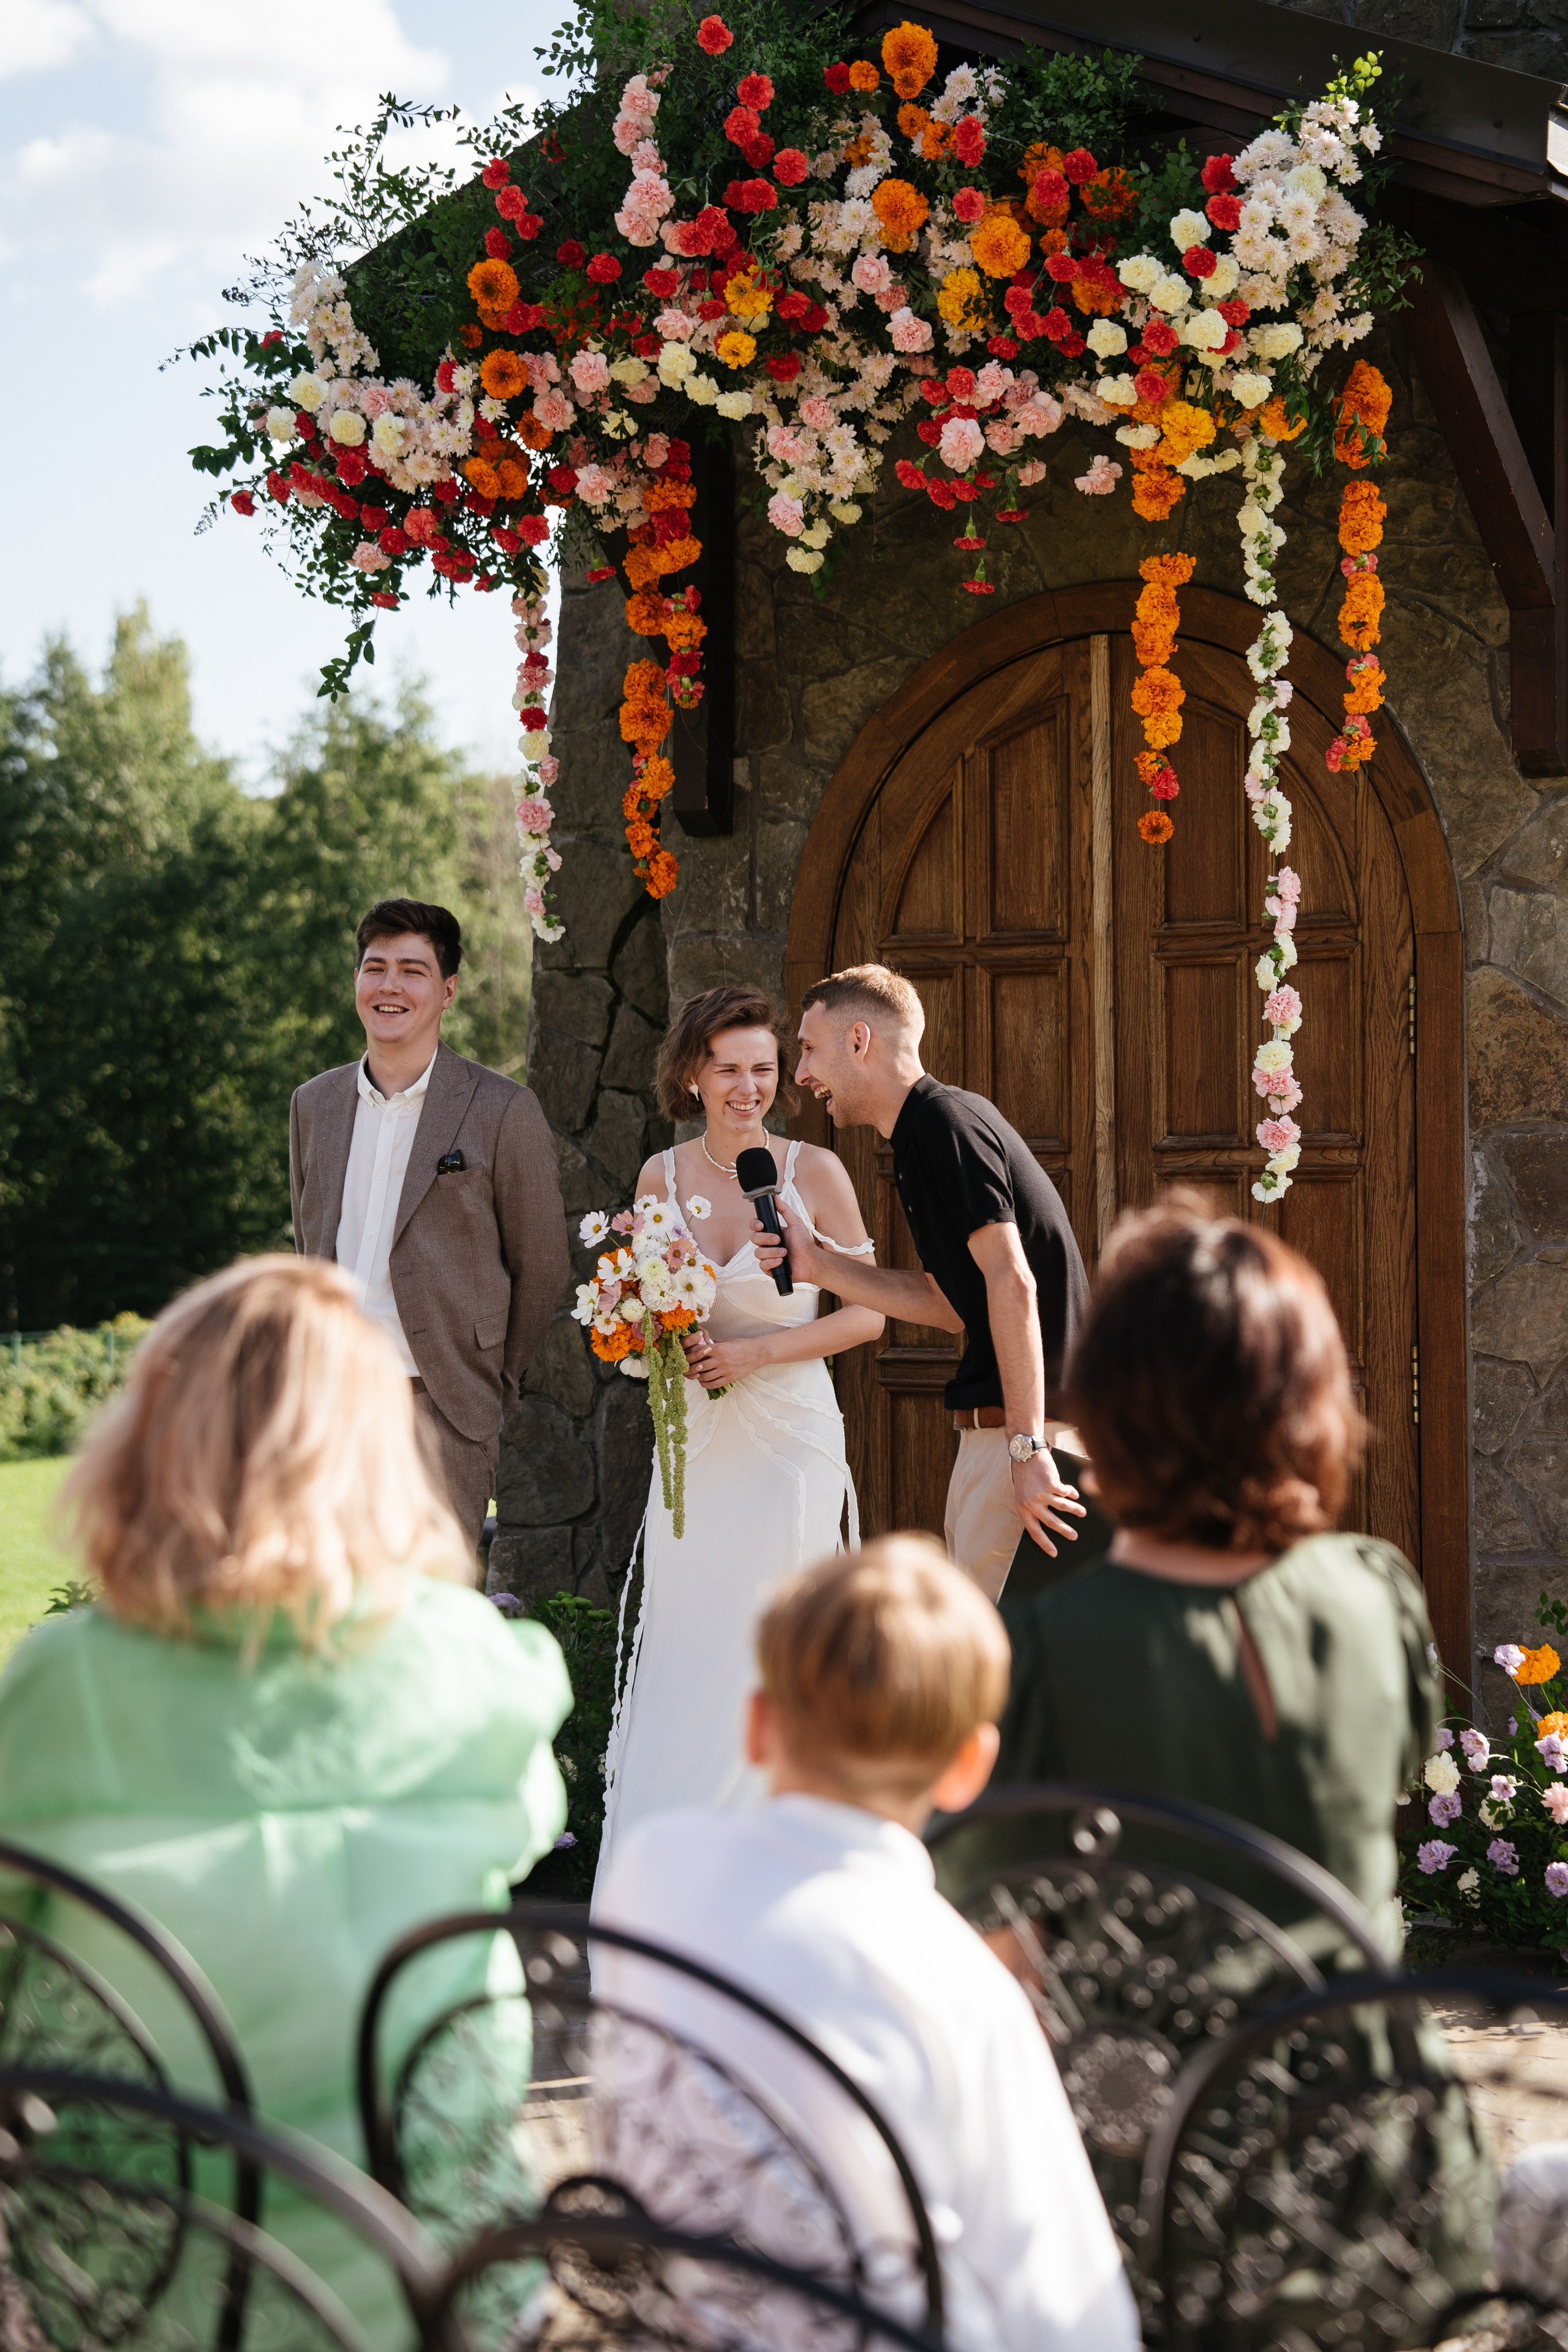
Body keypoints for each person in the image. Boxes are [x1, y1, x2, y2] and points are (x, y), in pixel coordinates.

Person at [0, 1255, 570, 2329]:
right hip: (433, 2274)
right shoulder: (470, 1661)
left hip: (146, 2280)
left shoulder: (62, 1684)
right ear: (377, 1453)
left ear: (154, 1440)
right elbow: (528, 1825)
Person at [594, 1536, 1140, 2352]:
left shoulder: (651, 1867)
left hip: (675, 2318)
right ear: (969, 1767)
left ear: (758, 1726)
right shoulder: (960, 1981)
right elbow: (1067, 2309)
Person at [939, 1199, 1440, 1960]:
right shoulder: (1379, 1595)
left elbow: (1000, 1933)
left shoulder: (1039, 1650)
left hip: (1141, 2035)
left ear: (1107, 1407)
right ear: (1312, 1399)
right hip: (1353, 2031)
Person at [597, 982, 883, 1879]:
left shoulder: (813, 1173)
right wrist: (655, 1338)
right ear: (693, 1075)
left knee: (779, 1643)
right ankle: (673, 1877)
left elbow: (868, 1315)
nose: (748, 1087)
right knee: (689, 1645)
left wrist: (758, 1354)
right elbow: (647, 1307)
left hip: (789, 1443)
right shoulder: (660, 1178)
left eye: (763, 1068)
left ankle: (781, 1864)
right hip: (698, 1449)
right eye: (728, 1070)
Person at [771, 963, 1090, 1602]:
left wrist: (1027, 1449)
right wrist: (818, 1266)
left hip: (1025, 1442)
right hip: (1010, 1440)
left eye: (808, 1049)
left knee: (987, 1653)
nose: (800, 1074)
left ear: (859, 1040)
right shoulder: (924, 1136)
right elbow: (947, 1304)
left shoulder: (945, 1125)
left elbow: (1012, 1280)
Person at [289, 895, 567, 1558]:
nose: (390, 986)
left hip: (444, 1408)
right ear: (357, 981)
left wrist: (488, 1377)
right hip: (331, 1407)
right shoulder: (313, 1104)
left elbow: (542, 1267)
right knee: (328, 1599)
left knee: (430, 1605)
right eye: (375, 968)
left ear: (448, 991)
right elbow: (308, 1243)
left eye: (412, 971)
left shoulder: (502, 1109)